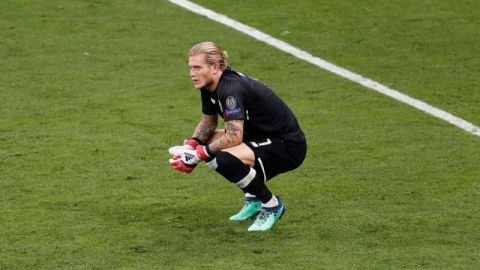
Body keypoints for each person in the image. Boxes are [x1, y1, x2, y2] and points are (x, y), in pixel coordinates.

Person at [168, 41, 307, 232]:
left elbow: (234, 136)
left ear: (215, 67)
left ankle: (272, 205)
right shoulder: (208, 85)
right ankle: (254, 198)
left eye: (197, 67)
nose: (192, 73)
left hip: (286, 145)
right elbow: (208, 123)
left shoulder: (230, 89)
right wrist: (192, 145)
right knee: (210, 144)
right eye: (191, 67)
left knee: (225, 158)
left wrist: (199, 155)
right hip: (259, 136)